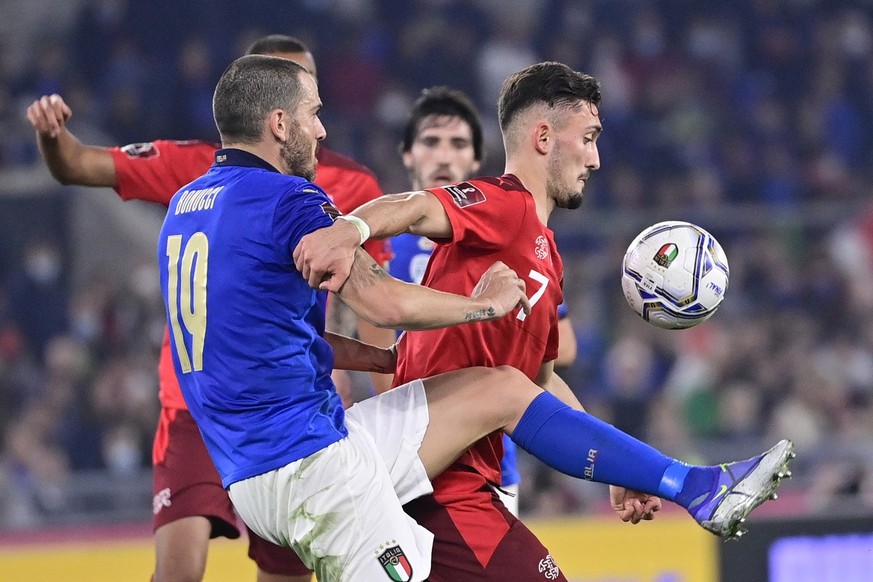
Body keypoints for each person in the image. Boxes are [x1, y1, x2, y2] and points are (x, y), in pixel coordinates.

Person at [179, 54, 793, 582]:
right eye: (590, 136)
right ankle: (699, 488)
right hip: (412, 479)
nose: (598, 158)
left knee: (505, 386)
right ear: (545, 137)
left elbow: (540, 384)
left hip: (354, 462)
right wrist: (355, 228)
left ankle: (692, 486)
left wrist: (622, 469)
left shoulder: (547, 259)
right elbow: (415, 211)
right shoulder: (501, 204)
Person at [25, 34, 389, 582]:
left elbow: (372, 304)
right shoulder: (198, 168)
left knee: (288, 574)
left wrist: (384, 391)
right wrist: (54, 138)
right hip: (193, 408)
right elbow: (78, 165)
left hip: (290, 407)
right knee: (178, 574)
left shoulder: (353, 183)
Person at [389, 86, 582, 518]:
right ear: (407, 155)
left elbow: (561, 346)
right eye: (430, 142)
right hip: (407, 442)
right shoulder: (385, 248)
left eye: (458, 144)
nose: (444, 156)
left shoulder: (507, 233)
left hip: (492, 453)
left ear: (475, 160)